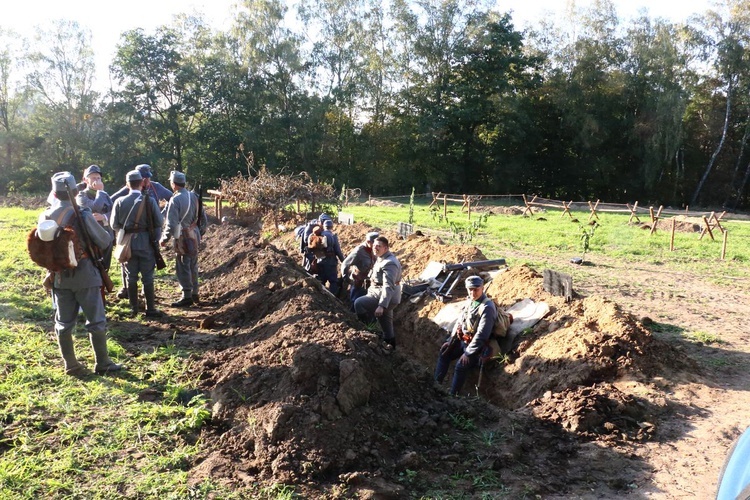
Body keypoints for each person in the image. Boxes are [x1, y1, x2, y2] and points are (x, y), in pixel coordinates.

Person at [39, 172, 123, 375]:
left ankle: (71, 365)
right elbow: (104, 241)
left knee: (63, 322)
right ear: (75, 191)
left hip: (59, 276)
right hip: (86, 274)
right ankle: (102, 363)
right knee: (96, 321)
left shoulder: (46, 216)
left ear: (55, 193)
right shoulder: (83, 214)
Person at [111, 164, 172, 299]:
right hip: (132, 235)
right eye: (143, 178)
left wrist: (162, 214)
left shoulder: (156, 187)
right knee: (125, 259)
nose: (146, 181)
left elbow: (171, 199)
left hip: (150, 232)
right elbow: (111, 200)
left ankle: (145, 292)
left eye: (147, 178)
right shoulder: (128, 189)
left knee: (149, 264)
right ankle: (126, 287)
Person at [434, 276, 498, 396]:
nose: (473, 292)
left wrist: (468, 353)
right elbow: (460, 322)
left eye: (476, 289)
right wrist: (450, 340)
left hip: (477, 347)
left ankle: (453, 397)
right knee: (444, 353)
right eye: (470, 289)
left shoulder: (487, 308)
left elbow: (482, 335)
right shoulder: (470, 301)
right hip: (464, 340)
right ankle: (435, 385)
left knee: (460, 365)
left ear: (482, 288)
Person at [160, 170, 207, 307]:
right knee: (193, 264)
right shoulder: (194, 196)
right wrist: (199, 233)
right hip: (194, 234)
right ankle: (195, 292)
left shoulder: (175, 199)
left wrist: (164, 238)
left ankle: (187, 295)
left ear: (173, 184)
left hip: (182, 237)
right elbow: (202, 218)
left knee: (183, 265)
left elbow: (171, 223)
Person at [353, 236, 402, 348]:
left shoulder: (390, 263)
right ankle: (391, 347)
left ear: (386, 248)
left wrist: (382, 305)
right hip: (380, 293)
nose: (375, 248)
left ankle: (368, 331)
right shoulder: (381, 258)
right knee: (386, 324)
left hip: (385, 296)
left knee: (359, 303)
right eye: (374, 246)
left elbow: (388, 286)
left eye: (378, 246)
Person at [76, 164, 114, 270]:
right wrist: (100, 191)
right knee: (94, 268)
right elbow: (95, 208)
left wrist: (104, 217)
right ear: (85, 180)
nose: (96, 181)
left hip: (107, 236)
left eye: (98, 178)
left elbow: (114, 212)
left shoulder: (105, 195)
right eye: (93, 178)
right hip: (90, 238)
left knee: (105, 268)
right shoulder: (81, 196)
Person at [341, 231, 378, 308]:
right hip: (358, 282)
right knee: (355, 303)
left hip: (370, 282)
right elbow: (345, 264)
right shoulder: (359, 251)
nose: (377, 247)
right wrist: (347, 279)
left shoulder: (375, 250)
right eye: (374, 244)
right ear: (368, 242)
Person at [318, 219, 345, 295]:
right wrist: (343, 261)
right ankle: (333, 299)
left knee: (321, 281)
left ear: (324, 226)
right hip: (330, 263)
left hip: (320, 262)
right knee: (333, 281)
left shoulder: (319, 235)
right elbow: (338, 251)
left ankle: (320, 297)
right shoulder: (333, 236)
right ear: (332, 227)